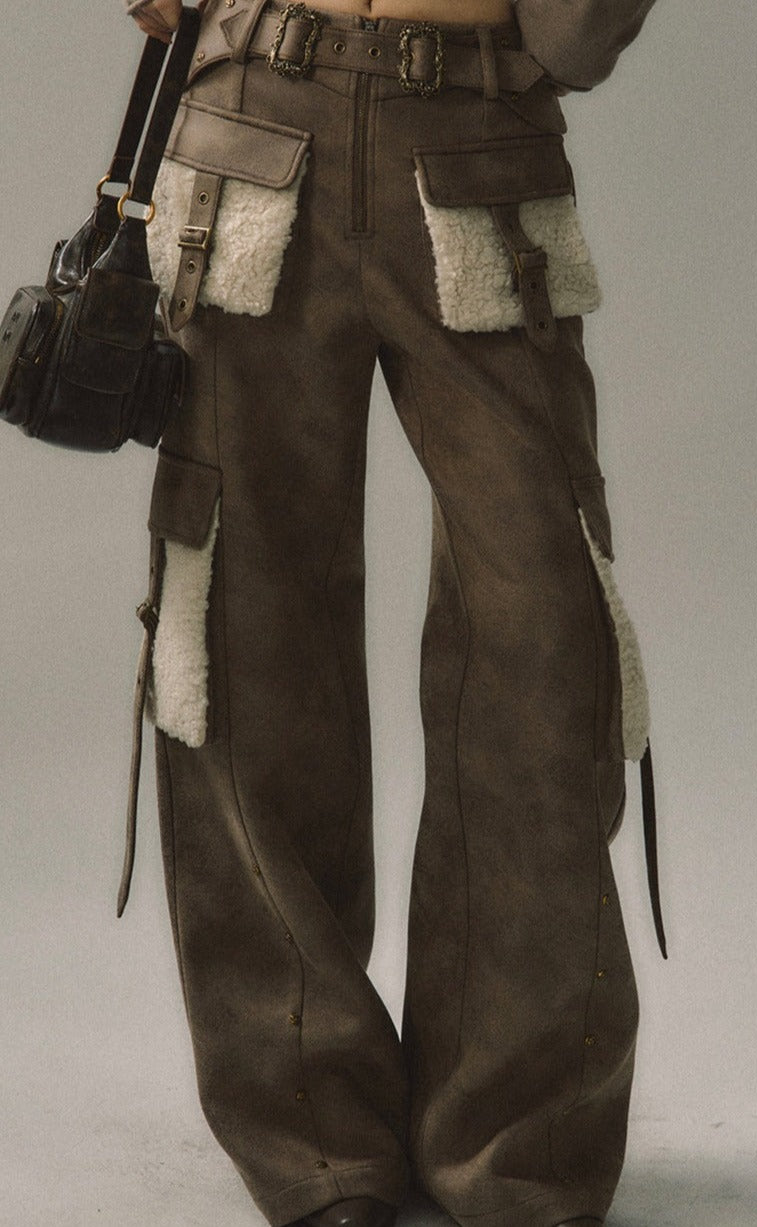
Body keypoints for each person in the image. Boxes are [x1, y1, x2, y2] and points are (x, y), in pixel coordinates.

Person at [120, 2, 664, 1226]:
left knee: (543, 637)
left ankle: (516, 1147)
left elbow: (579, 36)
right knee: (239, 635)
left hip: (478, 141)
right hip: (253, 129)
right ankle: (309, 1135)